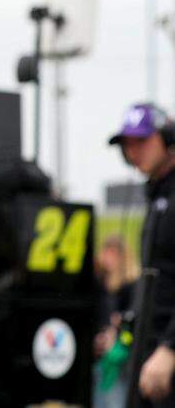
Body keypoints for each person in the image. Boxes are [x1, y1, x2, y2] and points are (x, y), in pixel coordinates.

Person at [109, 103, 175, 405]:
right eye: (128, 145)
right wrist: (124, 331)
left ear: (168, 139)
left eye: (142, 141)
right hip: (149, 357)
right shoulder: (156, 198)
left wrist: (170, 348)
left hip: (165, 358)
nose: (133, 151)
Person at [93, 234, 139, 407]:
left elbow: (132, 321)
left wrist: (119, 329)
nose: (108, 258)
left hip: (120, 357)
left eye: (113, 253)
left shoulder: (131, 285)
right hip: (99, 356)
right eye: (106, 252)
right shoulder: (100, 283)